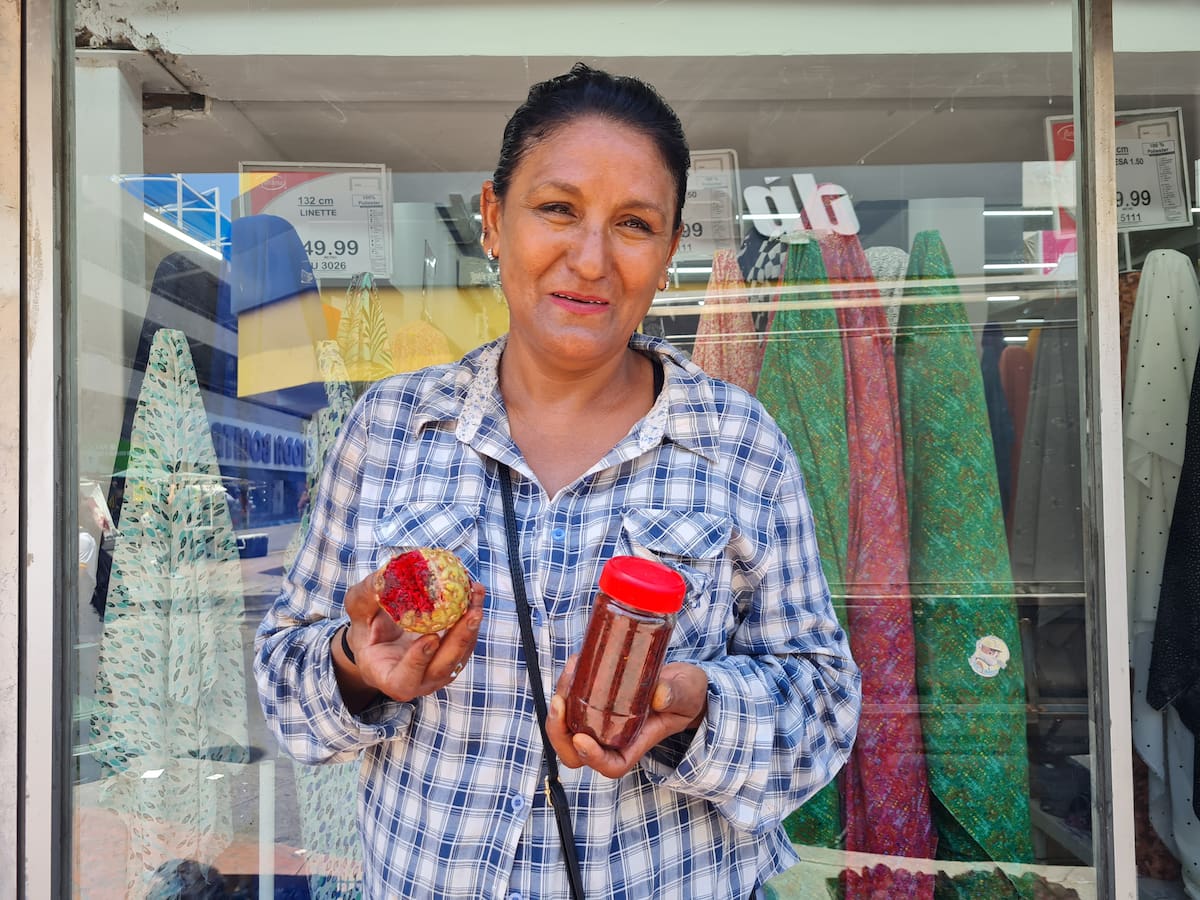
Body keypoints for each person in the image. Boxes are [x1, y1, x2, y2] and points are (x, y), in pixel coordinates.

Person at [255, 62, 860, 899]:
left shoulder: (737, 444)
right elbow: (286, 682)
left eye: (635, 224)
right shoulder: (392, 428)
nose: (590, 258)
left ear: (670, 250)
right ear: (495, 218)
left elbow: (823, 710)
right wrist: (358, 665)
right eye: (558, 210)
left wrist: (697, 710)